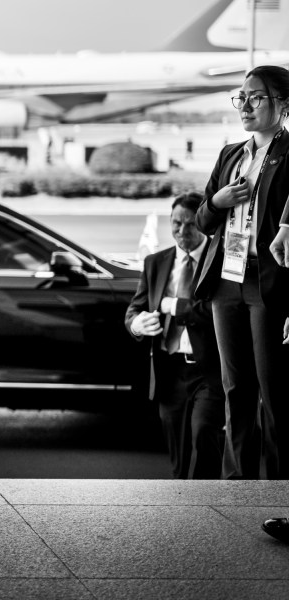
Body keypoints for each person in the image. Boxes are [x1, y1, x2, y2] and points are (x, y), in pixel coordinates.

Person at [197, 65, 289, 479]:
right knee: (235, 391)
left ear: (283, 104)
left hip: (268, 284)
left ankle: (278, 490)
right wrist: (216, 201)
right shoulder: (231, 155)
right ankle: (237, 488)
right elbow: (202, 221)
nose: (246, 106)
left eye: (256, 97)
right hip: (226, 281)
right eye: (242, 97)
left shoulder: (288, 154)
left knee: (275, 394)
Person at [124, 192, 224, 479]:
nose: (182, 232)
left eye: (190, 224)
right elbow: (135, 308)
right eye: (176, 224)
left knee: (204, 432)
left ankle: (207, 496)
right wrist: (137, 324)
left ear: (203, 224)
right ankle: (182, 500)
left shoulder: (218, 261)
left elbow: (221, 310)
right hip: (169, 370)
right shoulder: (156, 262)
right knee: (177, 448)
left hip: (209, 369)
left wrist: (177, 306)